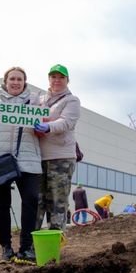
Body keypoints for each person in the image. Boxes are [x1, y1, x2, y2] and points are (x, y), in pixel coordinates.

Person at [0, 67, 42, 265]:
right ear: (5, 81)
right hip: (1, 159)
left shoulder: (35, 104)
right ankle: (5, 247)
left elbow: (43, 131)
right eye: (12, 79)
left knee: (31, 200)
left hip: (29, 159)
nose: (16, 82)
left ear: (24, 82)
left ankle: (26, 247)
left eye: (19, 79)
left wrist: (41, 126)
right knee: (2, 204)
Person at [34, 64, 81, 230]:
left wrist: (48, 127)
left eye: (61, 77)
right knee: (37, 202)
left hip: (61, 158)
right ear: (49, 79)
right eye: (54, 77)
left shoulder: (72, 100)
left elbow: (66, 122)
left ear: (67, 80)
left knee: (57, 202)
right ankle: (32, 244)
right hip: (39, 158)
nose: (57, 80)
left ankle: (54, 244)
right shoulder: (39, 100)